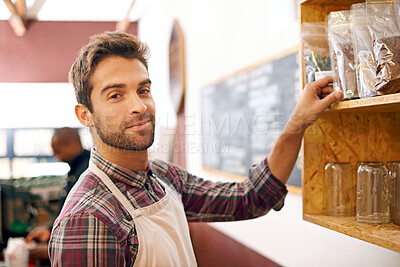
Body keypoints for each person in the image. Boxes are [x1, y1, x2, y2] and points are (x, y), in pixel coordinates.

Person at [48, 31, 342, 266]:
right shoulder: (87, 219)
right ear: (85, 115)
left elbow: (250, 198)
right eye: (115, 95)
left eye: (143, 90)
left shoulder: (163, 177)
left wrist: (298, 121)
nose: (139, 106)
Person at [25, 127, 90, 262]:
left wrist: (55, 248)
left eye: (58, 152)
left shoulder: (87, 171)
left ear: (71, 145)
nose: (57, 157)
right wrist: (50, 231)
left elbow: (83, 222)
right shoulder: (75, 169)